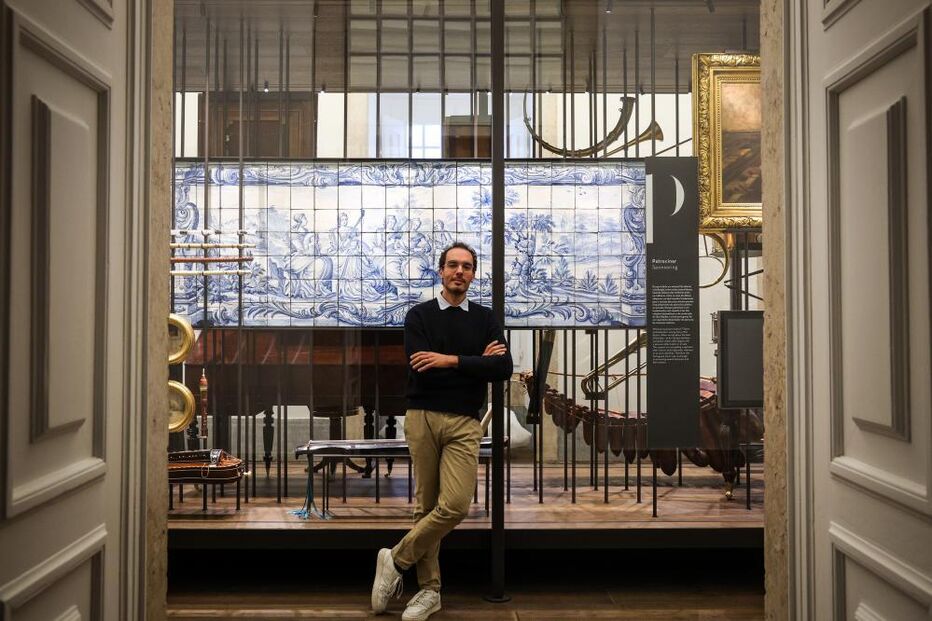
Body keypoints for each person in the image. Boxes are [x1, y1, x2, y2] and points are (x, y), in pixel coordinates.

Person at [371, 242, 513, 621]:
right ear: (441, 271)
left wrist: (448, 359)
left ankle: (395, 558)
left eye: (467, 266)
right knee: (425, 504)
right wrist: (475, 362)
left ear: (473, 273)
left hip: (465, 421)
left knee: (454, 505)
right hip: (422, 417)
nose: (459, 272)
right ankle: (430, 591)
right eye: (453, 265)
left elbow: (502, 369)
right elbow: (421, 366)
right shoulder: (419, 316)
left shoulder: (485, 318)